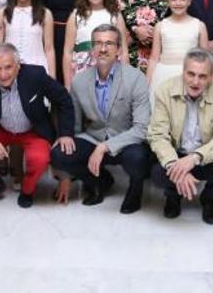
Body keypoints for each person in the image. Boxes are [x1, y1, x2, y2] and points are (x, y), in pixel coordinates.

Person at [51, 24, 153, 213]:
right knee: (60, 153)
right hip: (95, 137)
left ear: (119, 50)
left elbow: (142, 128)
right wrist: (66, 172)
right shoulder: (80, 81)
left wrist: (105, 147)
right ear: (92, 49)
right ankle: (99, 182)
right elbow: (75, 127)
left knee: (138, 158)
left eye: (109, 44)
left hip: (126, 140)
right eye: (98, 43)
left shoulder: (135, 78)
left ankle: (135, 190)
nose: (103, 49)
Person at [0, 43, 75, 209]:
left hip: (32, 130)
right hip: (1, 128)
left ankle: (28, 190)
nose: (3, 74)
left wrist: (65, 133)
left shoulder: (36, 75)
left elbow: (64, 99)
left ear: (18, 66)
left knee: (40, 158)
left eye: (8, 67)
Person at [147, 48, 213, 225]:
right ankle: (173, 195)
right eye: (191, 74)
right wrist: (176, 167)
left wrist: (195, 158)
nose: (195, 81)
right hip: (176, 155)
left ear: (210, 77)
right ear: (183, 72)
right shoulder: (164, 90)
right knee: (157, 173)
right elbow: (157, 135)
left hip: (203, 156)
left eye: (202, 76)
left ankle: (209, 199)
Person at [62, 0, 128, 88]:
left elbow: (123, 51)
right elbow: (68, 52)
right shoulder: (76, 16)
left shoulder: (115, 16)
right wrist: (68, 85)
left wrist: (124, 81)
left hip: (110, 67)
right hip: (82, 70)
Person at [146, 0, 207, 95]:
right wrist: (147, 84)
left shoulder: (199, 26)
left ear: (189, 1)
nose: (178, 3)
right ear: (168, 2)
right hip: (163, 76)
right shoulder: (161, 26)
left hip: (191, 77)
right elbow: (154, 58)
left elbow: (206, 59)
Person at [0, 0, 55, 76]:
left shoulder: (45, 13)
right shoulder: (3, 13)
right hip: (9, 71)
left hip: (37, 68)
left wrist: (52, 77)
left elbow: (49, 49)